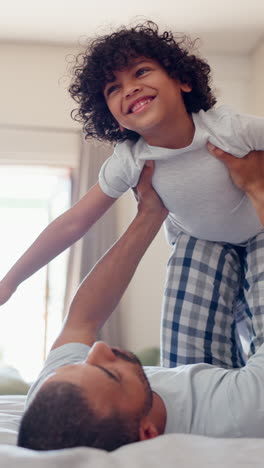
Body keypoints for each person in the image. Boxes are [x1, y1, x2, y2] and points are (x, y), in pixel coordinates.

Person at [0, 21, 264, 368]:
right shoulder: (131, 159)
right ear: (117, 121)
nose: (130, 88)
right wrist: (10, 282)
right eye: (113, 88)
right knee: (187, 356)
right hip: (201, 241)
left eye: (141, 72)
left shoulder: (230, 129)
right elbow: (72, 223)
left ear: (183, 81)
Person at [17, 148, 264, 452]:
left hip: (209, 377)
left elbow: (82, 321)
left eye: (83, 362)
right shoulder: (239, 417)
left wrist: (149, 214)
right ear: (147, 434)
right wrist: (256, 188)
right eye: (109, 372)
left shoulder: (54, 396)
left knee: (197, 243)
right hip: (242, 391)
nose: (99, 349)